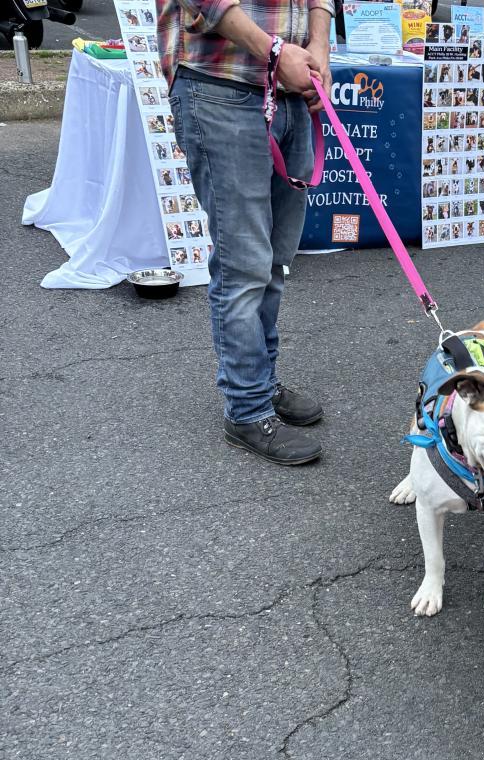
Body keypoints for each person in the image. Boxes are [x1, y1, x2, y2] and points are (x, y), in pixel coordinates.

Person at [159, 0, 334, 465]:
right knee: (244, 266)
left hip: (291, 90)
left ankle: (260, 382)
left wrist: (319, 48)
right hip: (222, 88)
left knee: (273, 260)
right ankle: (247, 408)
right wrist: (275, 52)